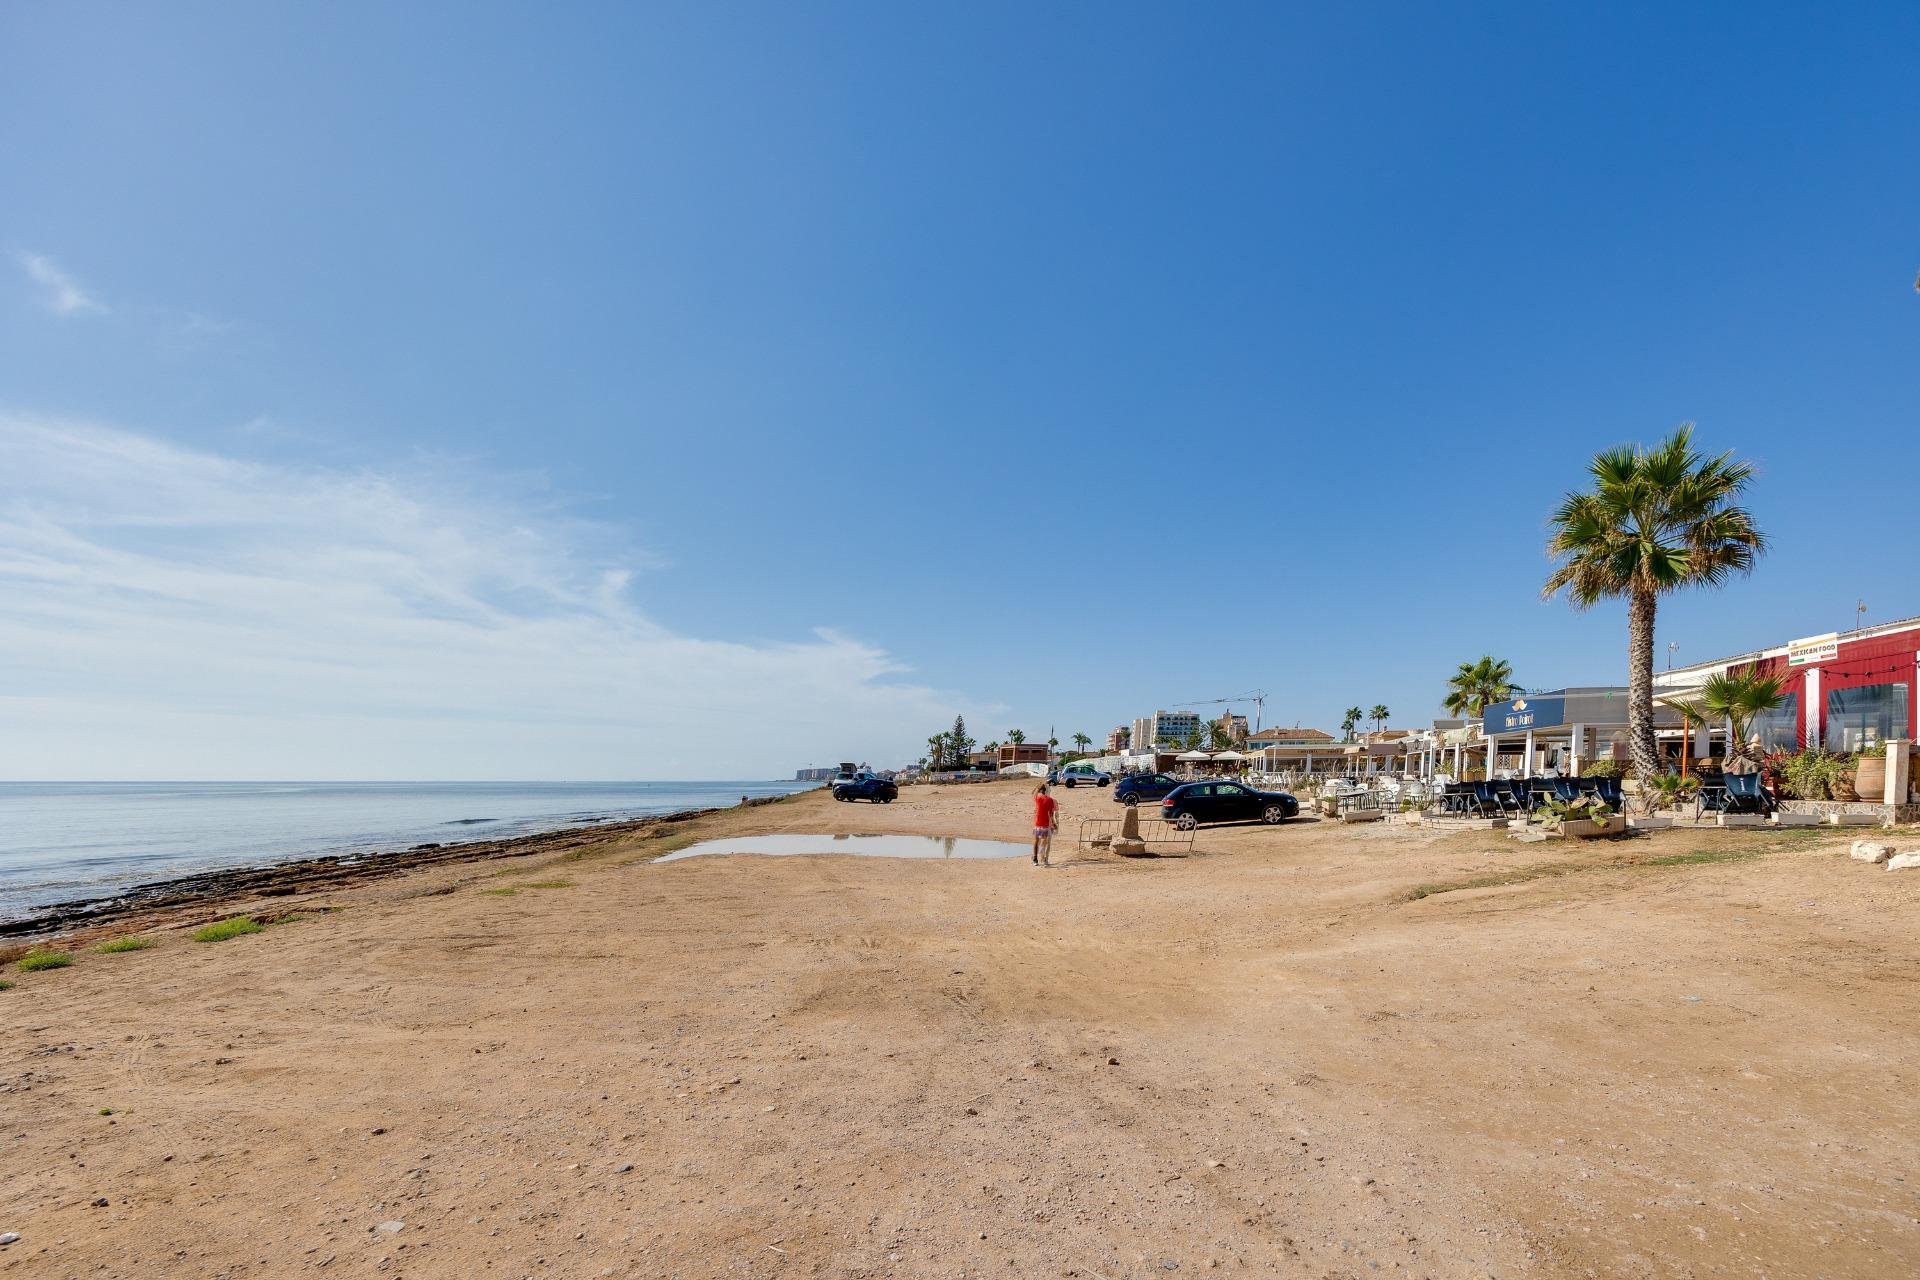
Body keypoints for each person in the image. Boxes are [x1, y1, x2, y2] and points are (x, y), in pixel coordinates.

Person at [1031, 782, 1058, 867]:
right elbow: (1051, 814)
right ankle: (1044, 859)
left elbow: (1034, 792)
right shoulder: (1050, 800)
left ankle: (1035, 859)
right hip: (1046, 823)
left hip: (1037, 823)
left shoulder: (1037, 797)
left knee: (1036, 841)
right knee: (1044, 843)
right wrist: (1054, 824)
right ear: (1046, 790)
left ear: (1039, 790)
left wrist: (1038, 786)